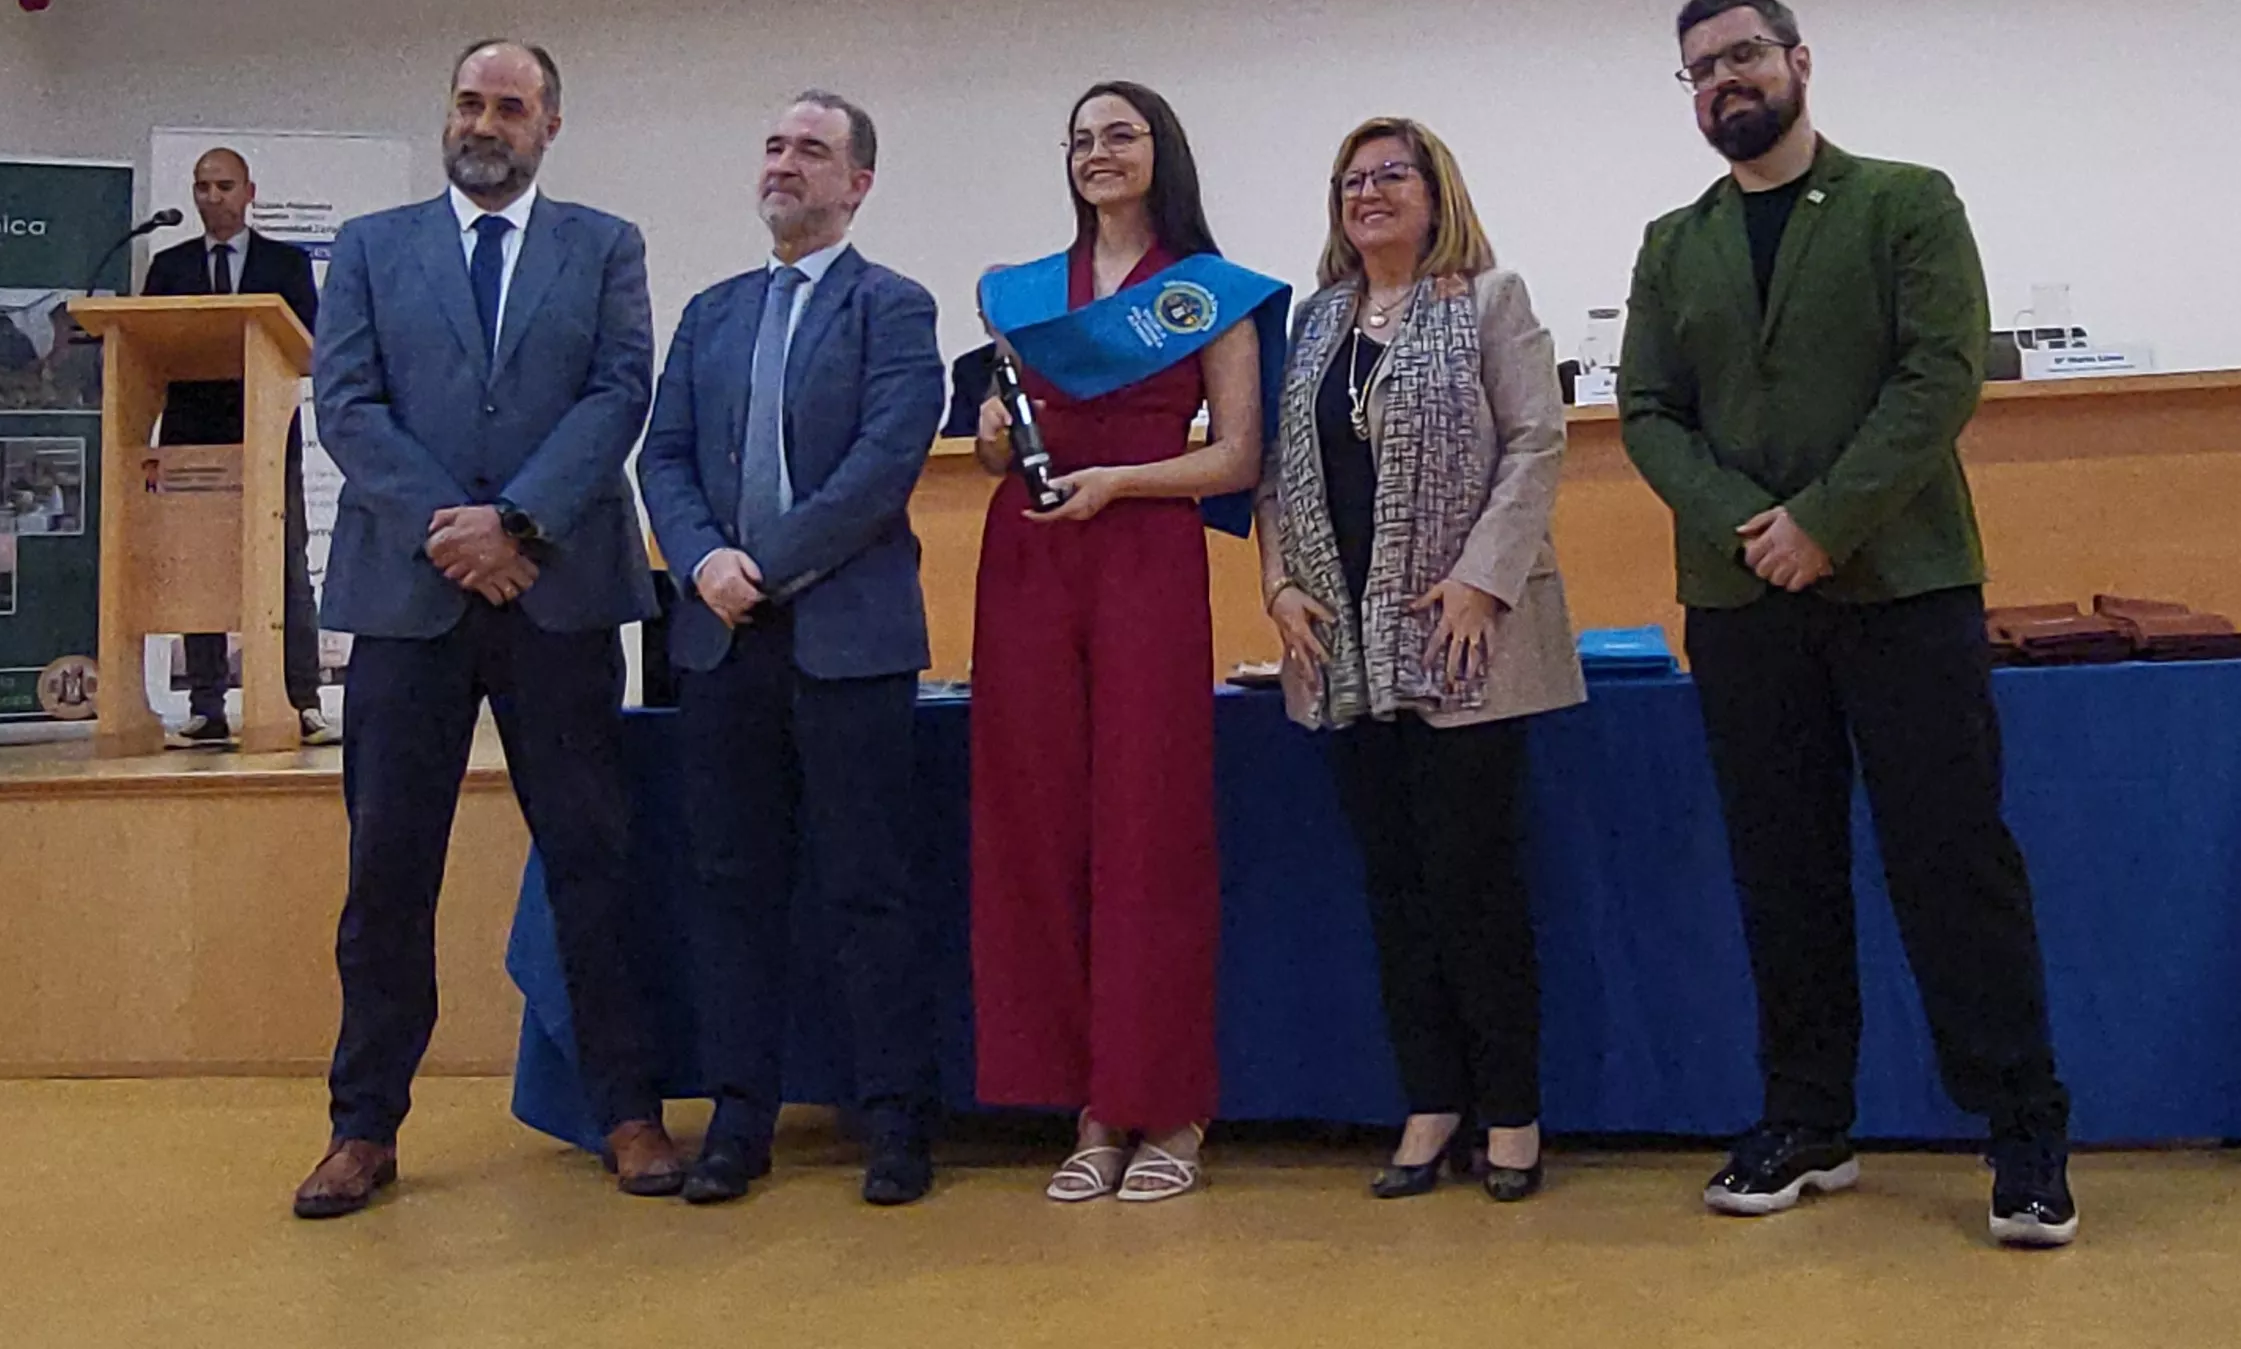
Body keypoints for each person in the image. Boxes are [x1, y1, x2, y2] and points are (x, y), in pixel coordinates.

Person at [1618, 0, 2080, 1248]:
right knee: (1783, 869)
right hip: (1739, 601)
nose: (1723, 82)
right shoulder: (1673, 241)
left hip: (1904, 587)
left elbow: (1940, 372)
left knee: (1953, 860)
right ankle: (1807, 1117)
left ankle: (2022, 1130)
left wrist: (1825, 519)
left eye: (1743, 56)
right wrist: (1747, 528)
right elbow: (1649, 411)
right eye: (1700, 70)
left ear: (1798, 62)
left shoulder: (1904, 200)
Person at [292, 39, 680, 1218]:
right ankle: (363, 1130)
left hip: (554, 590)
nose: (486, 122)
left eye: (510, 107)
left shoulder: (605, 245)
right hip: (408, 601)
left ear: (549, 125)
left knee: (592, 860)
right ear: (445, 115)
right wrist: (450, 531)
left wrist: (513, 524)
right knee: (387, 872)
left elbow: (619, 392)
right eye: (469, 101)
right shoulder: (369, 248)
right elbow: (346, 405)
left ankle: (626, 1109)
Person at [969, 81, 1288, 1203]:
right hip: (1028, 563)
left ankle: (1172, 1107)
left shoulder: (1213, 292)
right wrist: (996, 440)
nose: (1096, 153)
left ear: (1163, 151)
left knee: (1150, 826)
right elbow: (998, 450)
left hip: (1145, 553)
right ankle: (1092, 1107)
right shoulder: (1019, 292)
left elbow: (1239, 457)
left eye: (1119, 135)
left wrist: (1121, 483)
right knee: (1039, 825)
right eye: (1080, 139)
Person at [1255, 118, 1582, 1203]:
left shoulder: (1489, 300)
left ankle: (1513, 1112)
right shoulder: (1313, 325)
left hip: (1467, 645)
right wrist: (1280, 584)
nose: (1369, 192)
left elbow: (1537, 442)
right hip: (1342, 652)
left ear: (1436, 192)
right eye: (1351, 179)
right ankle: (1430, 1099)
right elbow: (1272, 480)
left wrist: (1483, 577)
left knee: (1475, 888)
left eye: (1391, 174)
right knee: (1395, 891)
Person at [639, 92, 947, 1207]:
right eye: (772, 145)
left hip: (845, 642)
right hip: (719, 643)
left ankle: (896, 1121)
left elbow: (880, 465)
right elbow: (662, 457)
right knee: (730, 887)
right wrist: (703, 562)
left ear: (857, 182)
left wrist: (761, 564)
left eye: (811, 151)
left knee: (869, 888)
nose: (784, 165)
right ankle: (737, 1121)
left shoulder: (893, 308)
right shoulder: (711, 313)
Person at [141, 146, 333, 746]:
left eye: (224, 186)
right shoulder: (168, 268)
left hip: (269, 431)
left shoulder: (285, 264)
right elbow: (148, 346)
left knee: (286, 563)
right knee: (198, 564)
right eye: (202, 187)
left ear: (250, 193)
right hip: (193, 435)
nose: (212, 198)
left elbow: (308, 344)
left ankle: (300, 700)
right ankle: (206, 706)